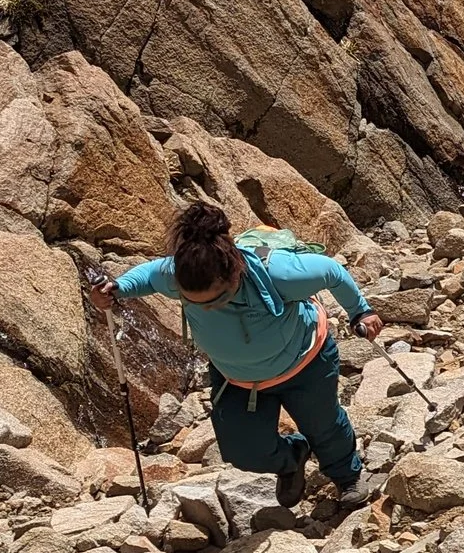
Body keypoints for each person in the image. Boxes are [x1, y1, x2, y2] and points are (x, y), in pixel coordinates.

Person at [93, 202, 383, 506]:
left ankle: (347, 477)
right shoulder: (177, 274)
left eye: (215, 300)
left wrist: (361, 312)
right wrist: (116, 288)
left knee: (323, 426)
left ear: (234, 275)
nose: (207, 308)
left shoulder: (279, 273)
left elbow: (332, 272)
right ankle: (292, 458)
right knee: (242, 451)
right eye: (195, 302)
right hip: (236, 379)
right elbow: (147, 276)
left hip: (305, 362)